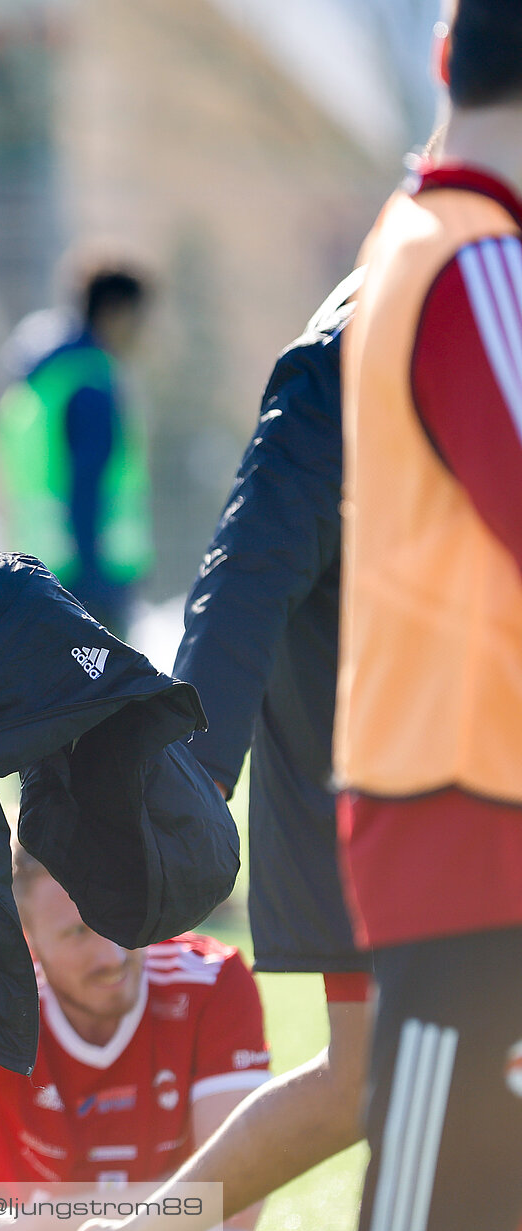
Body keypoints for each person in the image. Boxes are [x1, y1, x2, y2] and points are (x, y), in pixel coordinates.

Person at [77, 276, 370, 1231]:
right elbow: (249, 565)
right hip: (379, 772)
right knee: (383, 1074)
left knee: (384, 1077)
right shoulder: (361, 333)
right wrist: (193, 772)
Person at [332, 3, 522, 1227]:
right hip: (470, 798)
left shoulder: (427, 237)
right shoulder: (474, 253)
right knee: (433, 1198)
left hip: (460, 787)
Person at [0, 849, 269, 1230]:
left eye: (120, 920)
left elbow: (234, 1193)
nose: (113, 955)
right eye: (78, 932)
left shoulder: (211, 980)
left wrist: (36, 1224)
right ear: (25, 937)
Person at [0, 262, 153, 635]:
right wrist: (95, 583)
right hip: (90, 577)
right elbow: (87, 484)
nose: (144, 333)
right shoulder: (90, 382)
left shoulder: (46, 378)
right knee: (110, 691)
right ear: (116, 312)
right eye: (139, 318)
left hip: (43, 567)